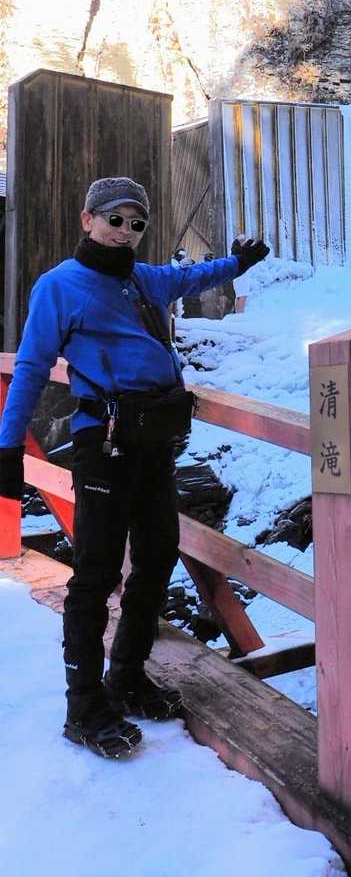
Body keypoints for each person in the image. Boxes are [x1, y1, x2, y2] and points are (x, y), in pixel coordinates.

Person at [0, 177, 269, 759]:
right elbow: (31, 367)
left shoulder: (145, 280)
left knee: (157, 556)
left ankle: (126, 675)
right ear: (88, 219)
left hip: (153, 441)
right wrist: (8, 446)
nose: (125, 231)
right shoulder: (59, 286)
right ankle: (83, 707)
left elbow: (192, 278)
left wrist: (238, 264)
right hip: (104, 443)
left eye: (136, 223)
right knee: (96, 572)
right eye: (114, 219)